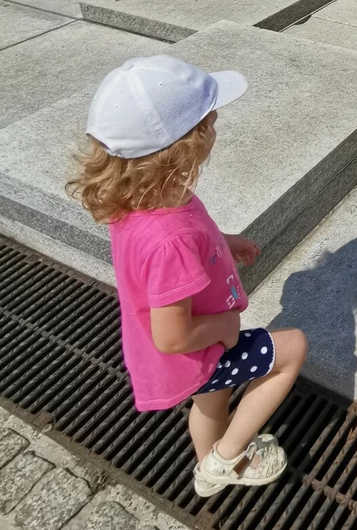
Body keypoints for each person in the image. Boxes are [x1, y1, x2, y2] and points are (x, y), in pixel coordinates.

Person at [67, 55, 307, 497]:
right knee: (292, 348)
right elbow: (173, 336)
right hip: (196, 353)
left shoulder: (144, 197)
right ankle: (229, 457)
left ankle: (208, 468)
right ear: (188, 146)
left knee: (212, 404)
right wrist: (227, 326)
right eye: (211, 123)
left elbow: (181, 244)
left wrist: (222, 241)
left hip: (181, 362)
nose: (215, 129)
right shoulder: (168, 237)